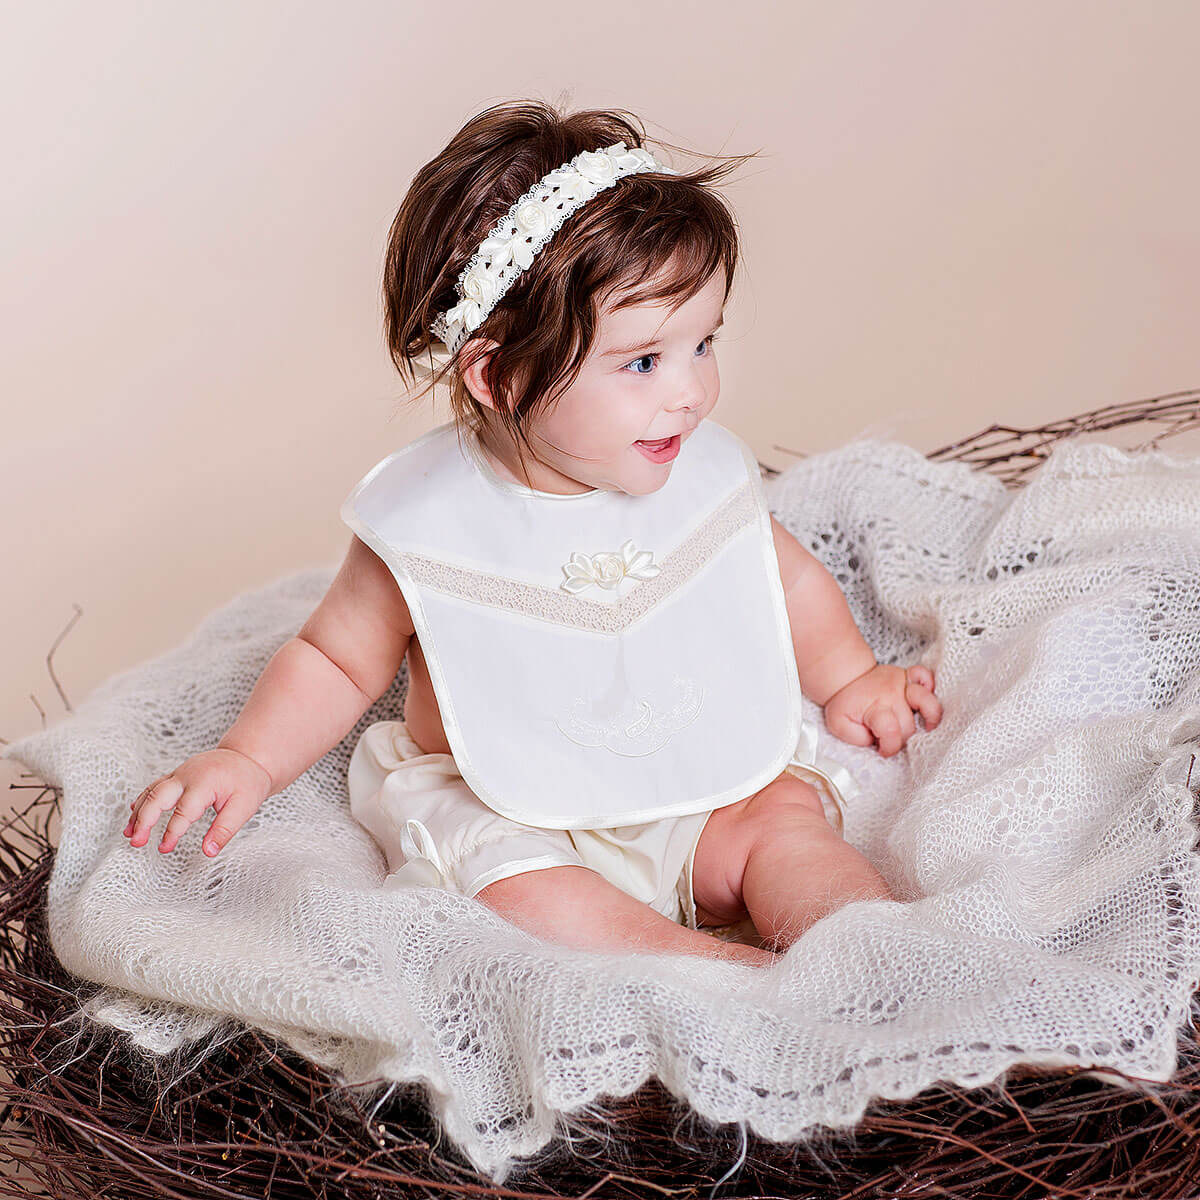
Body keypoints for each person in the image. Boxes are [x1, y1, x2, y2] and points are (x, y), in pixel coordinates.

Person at [124, 100, 942, 969]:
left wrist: (850, 678)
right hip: (510, 805)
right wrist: (248, 759)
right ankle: (700, 971)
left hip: (697, 785)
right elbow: (335, 660)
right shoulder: (429, 521)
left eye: (703, 344)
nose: (692, 393)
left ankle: (877, 959)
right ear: (501, 377)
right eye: (644, 362)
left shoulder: (699, 477)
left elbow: (786, 580)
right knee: (511, 884)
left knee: (782, 822)